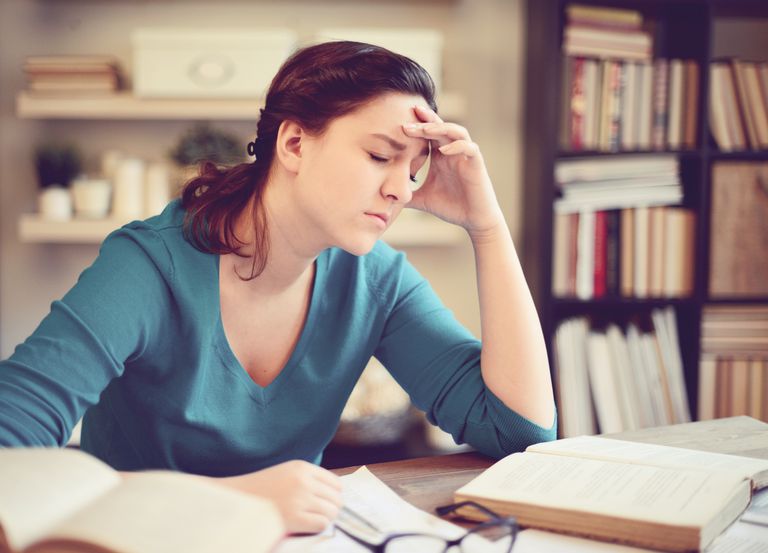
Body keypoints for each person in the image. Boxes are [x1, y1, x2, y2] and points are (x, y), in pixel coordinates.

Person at [0, 41, 556, 533]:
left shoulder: (377, 280)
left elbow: (518, 431)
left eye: (412, 170)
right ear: (293, 143)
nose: (400, 190)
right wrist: (230, 500)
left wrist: (487, 226)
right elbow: (9, 449)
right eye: (380, 155)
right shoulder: (148, 266)